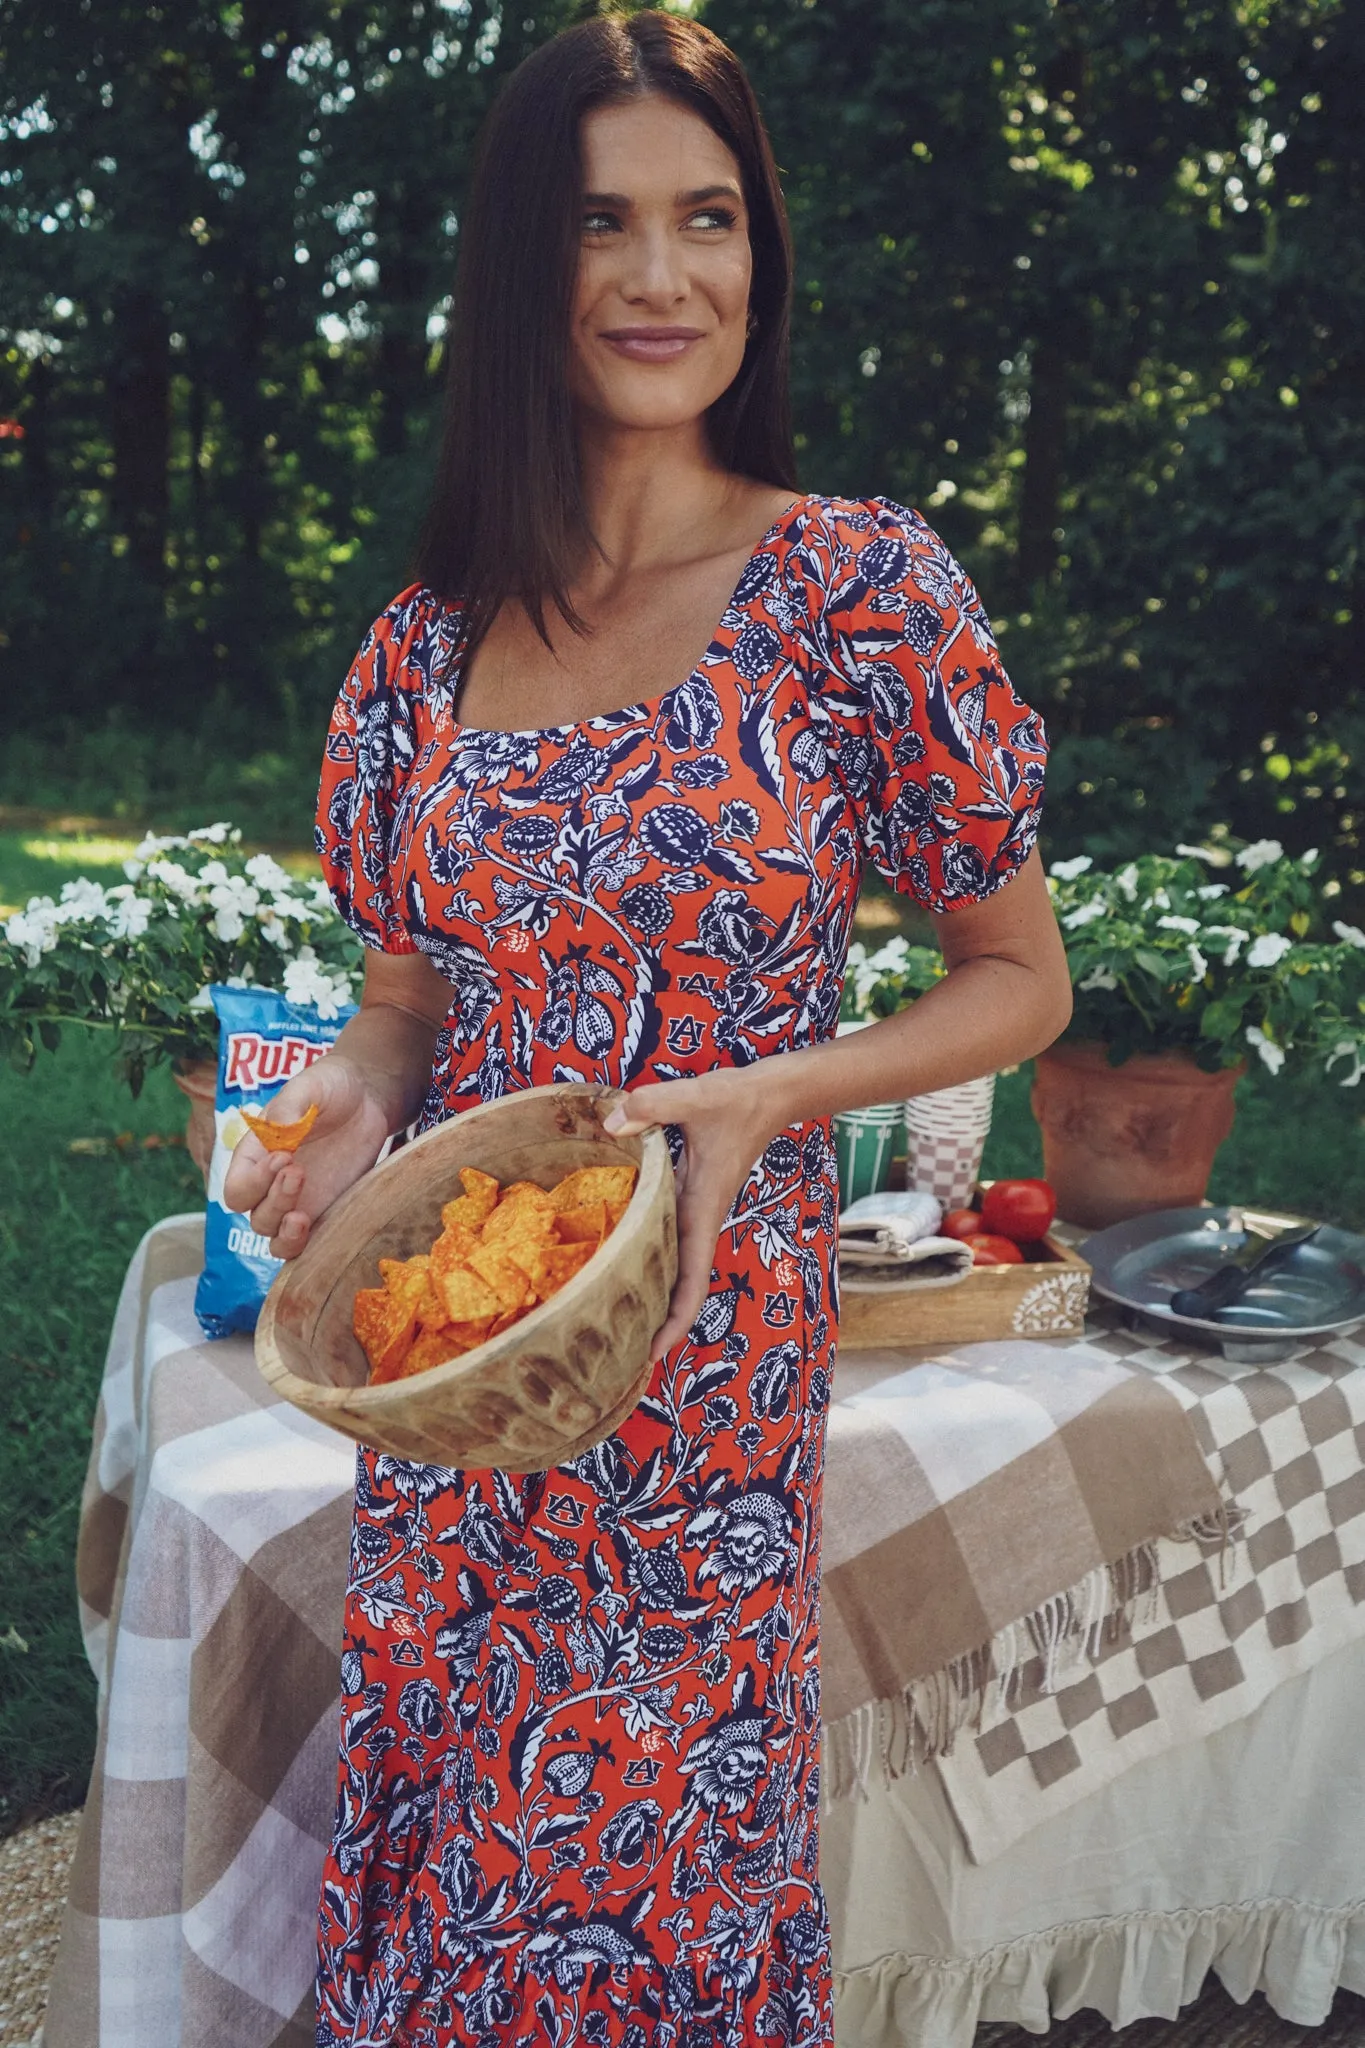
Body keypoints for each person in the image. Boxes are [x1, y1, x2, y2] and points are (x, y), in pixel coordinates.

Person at [226, 12, 1071, 2044]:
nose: (662, 276)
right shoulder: (425, 643)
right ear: (528, 262)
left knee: (657, 1873)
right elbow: (406, 999)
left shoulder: (855, 591)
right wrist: (336, 1109)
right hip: (456, 1372)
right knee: (451, 1830)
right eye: (603, 224)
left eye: (708, 219)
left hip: (696, 1361)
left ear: (760, 255)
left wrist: (770, 1087)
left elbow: (1014, 978)